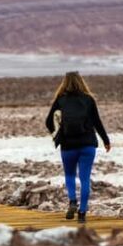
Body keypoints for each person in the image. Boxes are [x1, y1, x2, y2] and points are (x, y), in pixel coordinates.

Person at [45, 71, 111, 223]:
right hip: (87, 145)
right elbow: (97, 122)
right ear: (81, 82)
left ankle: (72, 201)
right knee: (85, 178)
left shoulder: (60, 99)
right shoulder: (88, 99)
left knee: (69, 175)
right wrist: (106, 140)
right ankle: (82, 213)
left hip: (68, 145)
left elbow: (49, 121)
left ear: (64, 82)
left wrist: (56, 132)